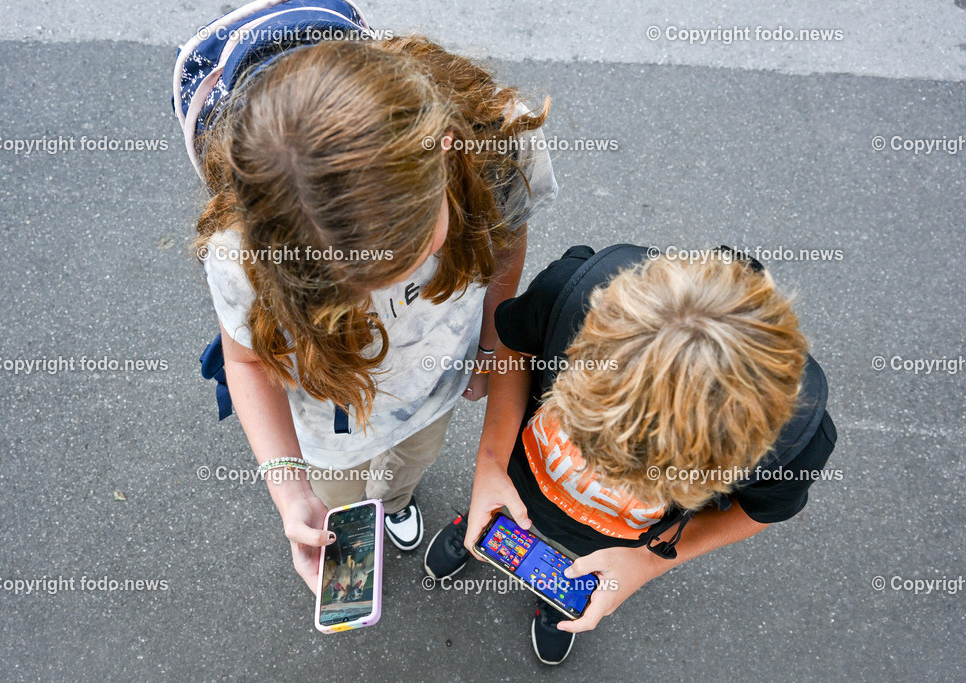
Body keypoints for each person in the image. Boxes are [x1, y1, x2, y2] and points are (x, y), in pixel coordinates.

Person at [191, 29, 558, 591]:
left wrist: (490, 344)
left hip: (434, 392)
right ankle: (368, 509)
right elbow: (243, 361)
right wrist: (291, 491)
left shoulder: (497, 148)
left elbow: (505, 240)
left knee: (410, 464)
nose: (373, 297)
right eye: (340, 284)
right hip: (325, 430)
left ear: (444, 152)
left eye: (409, 255)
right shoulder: (240, 252)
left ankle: (395, 503)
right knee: (339, 494)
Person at [423, 247, 837, 664]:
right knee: (499, 521)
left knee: (577, 574)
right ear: (595, 321)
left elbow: (758, 510)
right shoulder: (568, 294)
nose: (595, 471)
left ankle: (557, 598)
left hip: (617, 538)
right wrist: (491, 464)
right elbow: (517, 346)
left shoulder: (795, 442)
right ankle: (478, 527)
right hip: (521, 475)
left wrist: (644, 564)